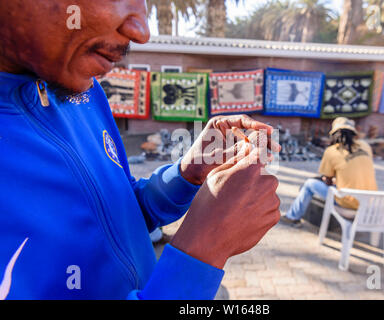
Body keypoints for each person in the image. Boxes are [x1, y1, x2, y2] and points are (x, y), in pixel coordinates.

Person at [0, 1, 281, 300]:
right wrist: (201, 253)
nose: (141, 31)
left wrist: (187, 173)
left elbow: (120, 214)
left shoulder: (82, 89)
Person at [280, 117, 378, 227]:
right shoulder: (365, 146)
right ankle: (293, 216)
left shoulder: (332, 151)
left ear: (334, 134)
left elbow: (327, 179)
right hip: (370, 201)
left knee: (309, 184)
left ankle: (293, 217)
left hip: (348, 202)